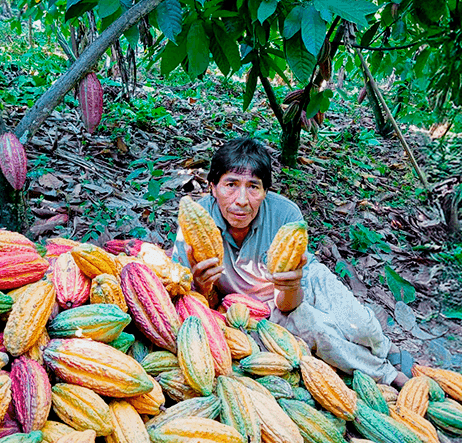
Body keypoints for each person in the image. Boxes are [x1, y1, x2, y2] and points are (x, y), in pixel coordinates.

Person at [171, 137, 410, 388]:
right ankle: (389, 375)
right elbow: (196, 302)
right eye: (230, 184)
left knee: (362, 326)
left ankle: (384, 347)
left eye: (253, 187)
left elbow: (292, 291)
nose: (241, 200)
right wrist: (202, 285)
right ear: (212, 187)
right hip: (263, 303)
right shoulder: (194, 221)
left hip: (304, 279)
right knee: (322, 333)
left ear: (265, 192)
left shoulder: (285, 213)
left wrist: (292, 286)